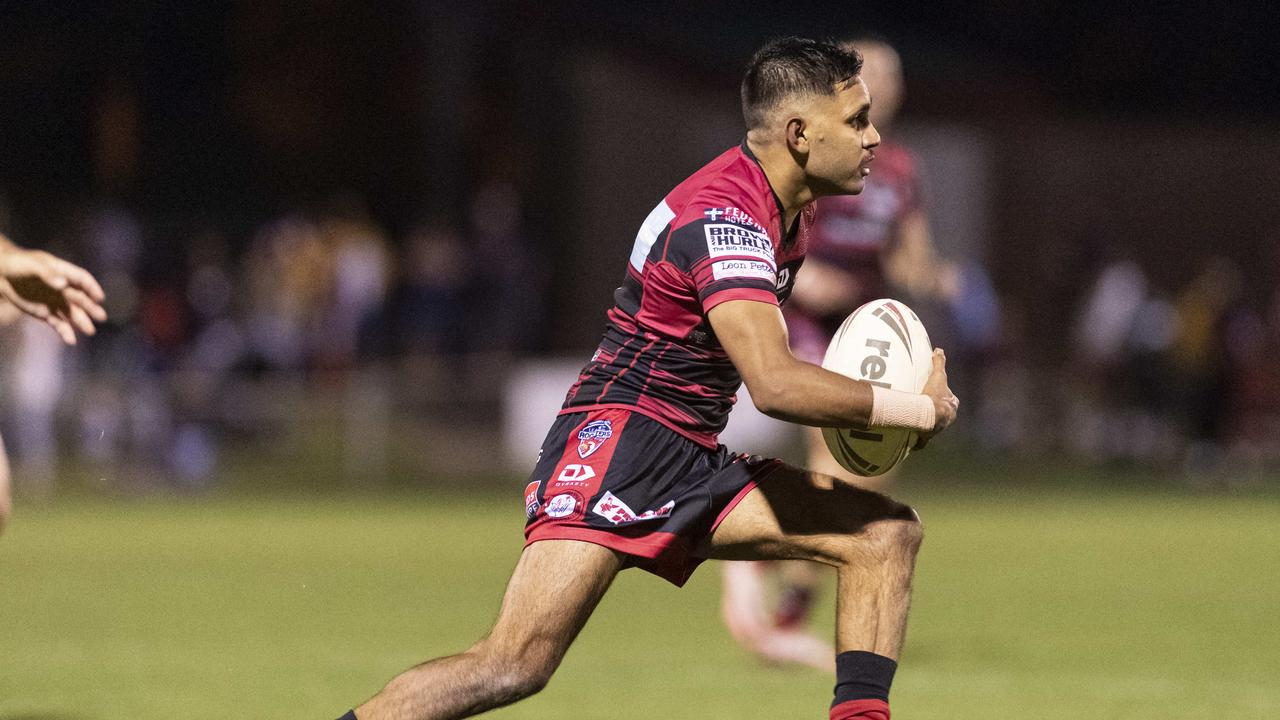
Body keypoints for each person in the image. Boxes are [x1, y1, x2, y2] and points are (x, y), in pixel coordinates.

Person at [338, 37, 958, 720]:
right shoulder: (726, 219)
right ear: (799, 134)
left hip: (688, 455)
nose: (874, 139)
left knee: (882, 535)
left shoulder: (788, 211)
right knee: (513, 664)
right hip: (616, 446)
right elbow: (776, 385)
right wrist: (913, 409)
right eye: (857, 121)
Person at [721, 38, 961, 672]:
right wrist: (800, 278)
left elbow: (909, 260)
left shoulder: (902, 170)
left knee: (870, 472)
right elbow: (764, 234)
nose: (884, 82)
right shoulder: (819, 158)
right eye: (870, 72)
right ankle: (767, 572)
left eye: (893, 71)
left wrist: (937, 278)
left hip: (865, 324)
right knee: (838, 457)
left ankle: (788, 584)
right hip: (805, 319)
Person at [0, 233, 108, 536]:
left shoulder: (40, 309)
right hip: (31, 380)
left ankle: (39, 481)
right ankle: (38, 479)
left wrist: (6, 261)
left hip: (39, 380)